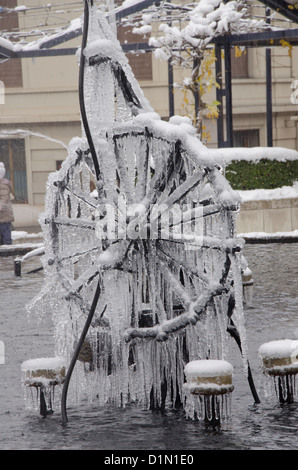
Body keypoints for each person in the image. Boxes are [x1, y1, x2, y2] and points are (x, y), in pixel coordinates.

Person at [0, 162, 14, 245]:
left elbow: (4, 197)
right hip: (2, 216)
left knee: (6, 236)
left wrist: (1, 206)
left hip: (4, 215)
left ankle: (8, 253)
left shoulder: (3, 185)